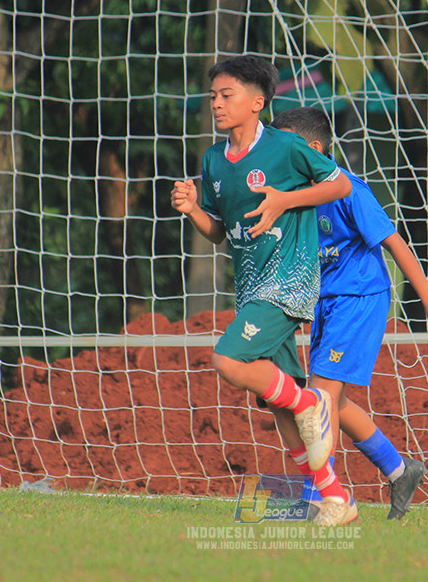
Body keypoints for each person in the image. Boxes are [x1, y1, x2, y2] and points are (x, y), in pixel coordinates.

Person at [170, 55, 358, 526]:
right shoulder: (214, 159)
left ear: (258, 102)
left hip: (288, 282)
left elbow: (338, 185)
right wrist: (194, 209)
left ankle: (312, 402)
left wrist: (285, 199)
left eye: (226, 95)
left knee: (229, 361)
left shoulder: (285, 149)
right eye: (213, 95)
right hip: (252, 289)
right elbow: (220, 233)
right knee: (281, 408)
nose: (216, 103)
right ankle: (335, 500)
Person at [271, 106, 428, 520]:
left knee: (317, 401)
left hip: (360, 300)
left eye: (285, 148)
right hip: (330, 303)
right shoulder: (295, 197)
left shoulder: (350, 190)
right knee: (331, 404)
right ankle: (400, 470)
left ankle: (317, 497)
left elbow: (395, 244)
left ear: (313, 150)